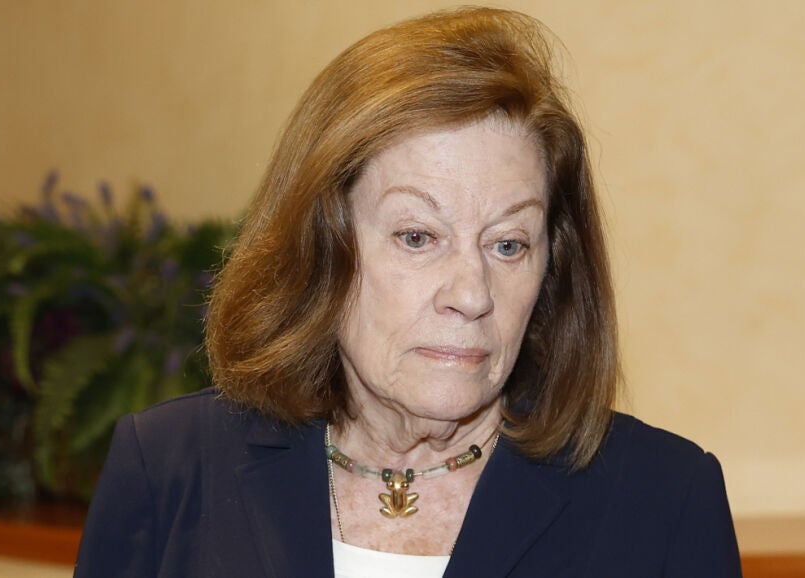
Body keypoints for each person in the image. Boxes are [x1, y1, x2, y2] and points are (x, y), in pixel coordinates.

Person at [74, 7, 741, 577]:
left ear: (552, 266)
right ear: (323, 245)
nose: (472, 294)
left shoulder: (665, 498)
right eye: (418, 237)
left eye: (508, 245)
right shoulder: (167, 468)